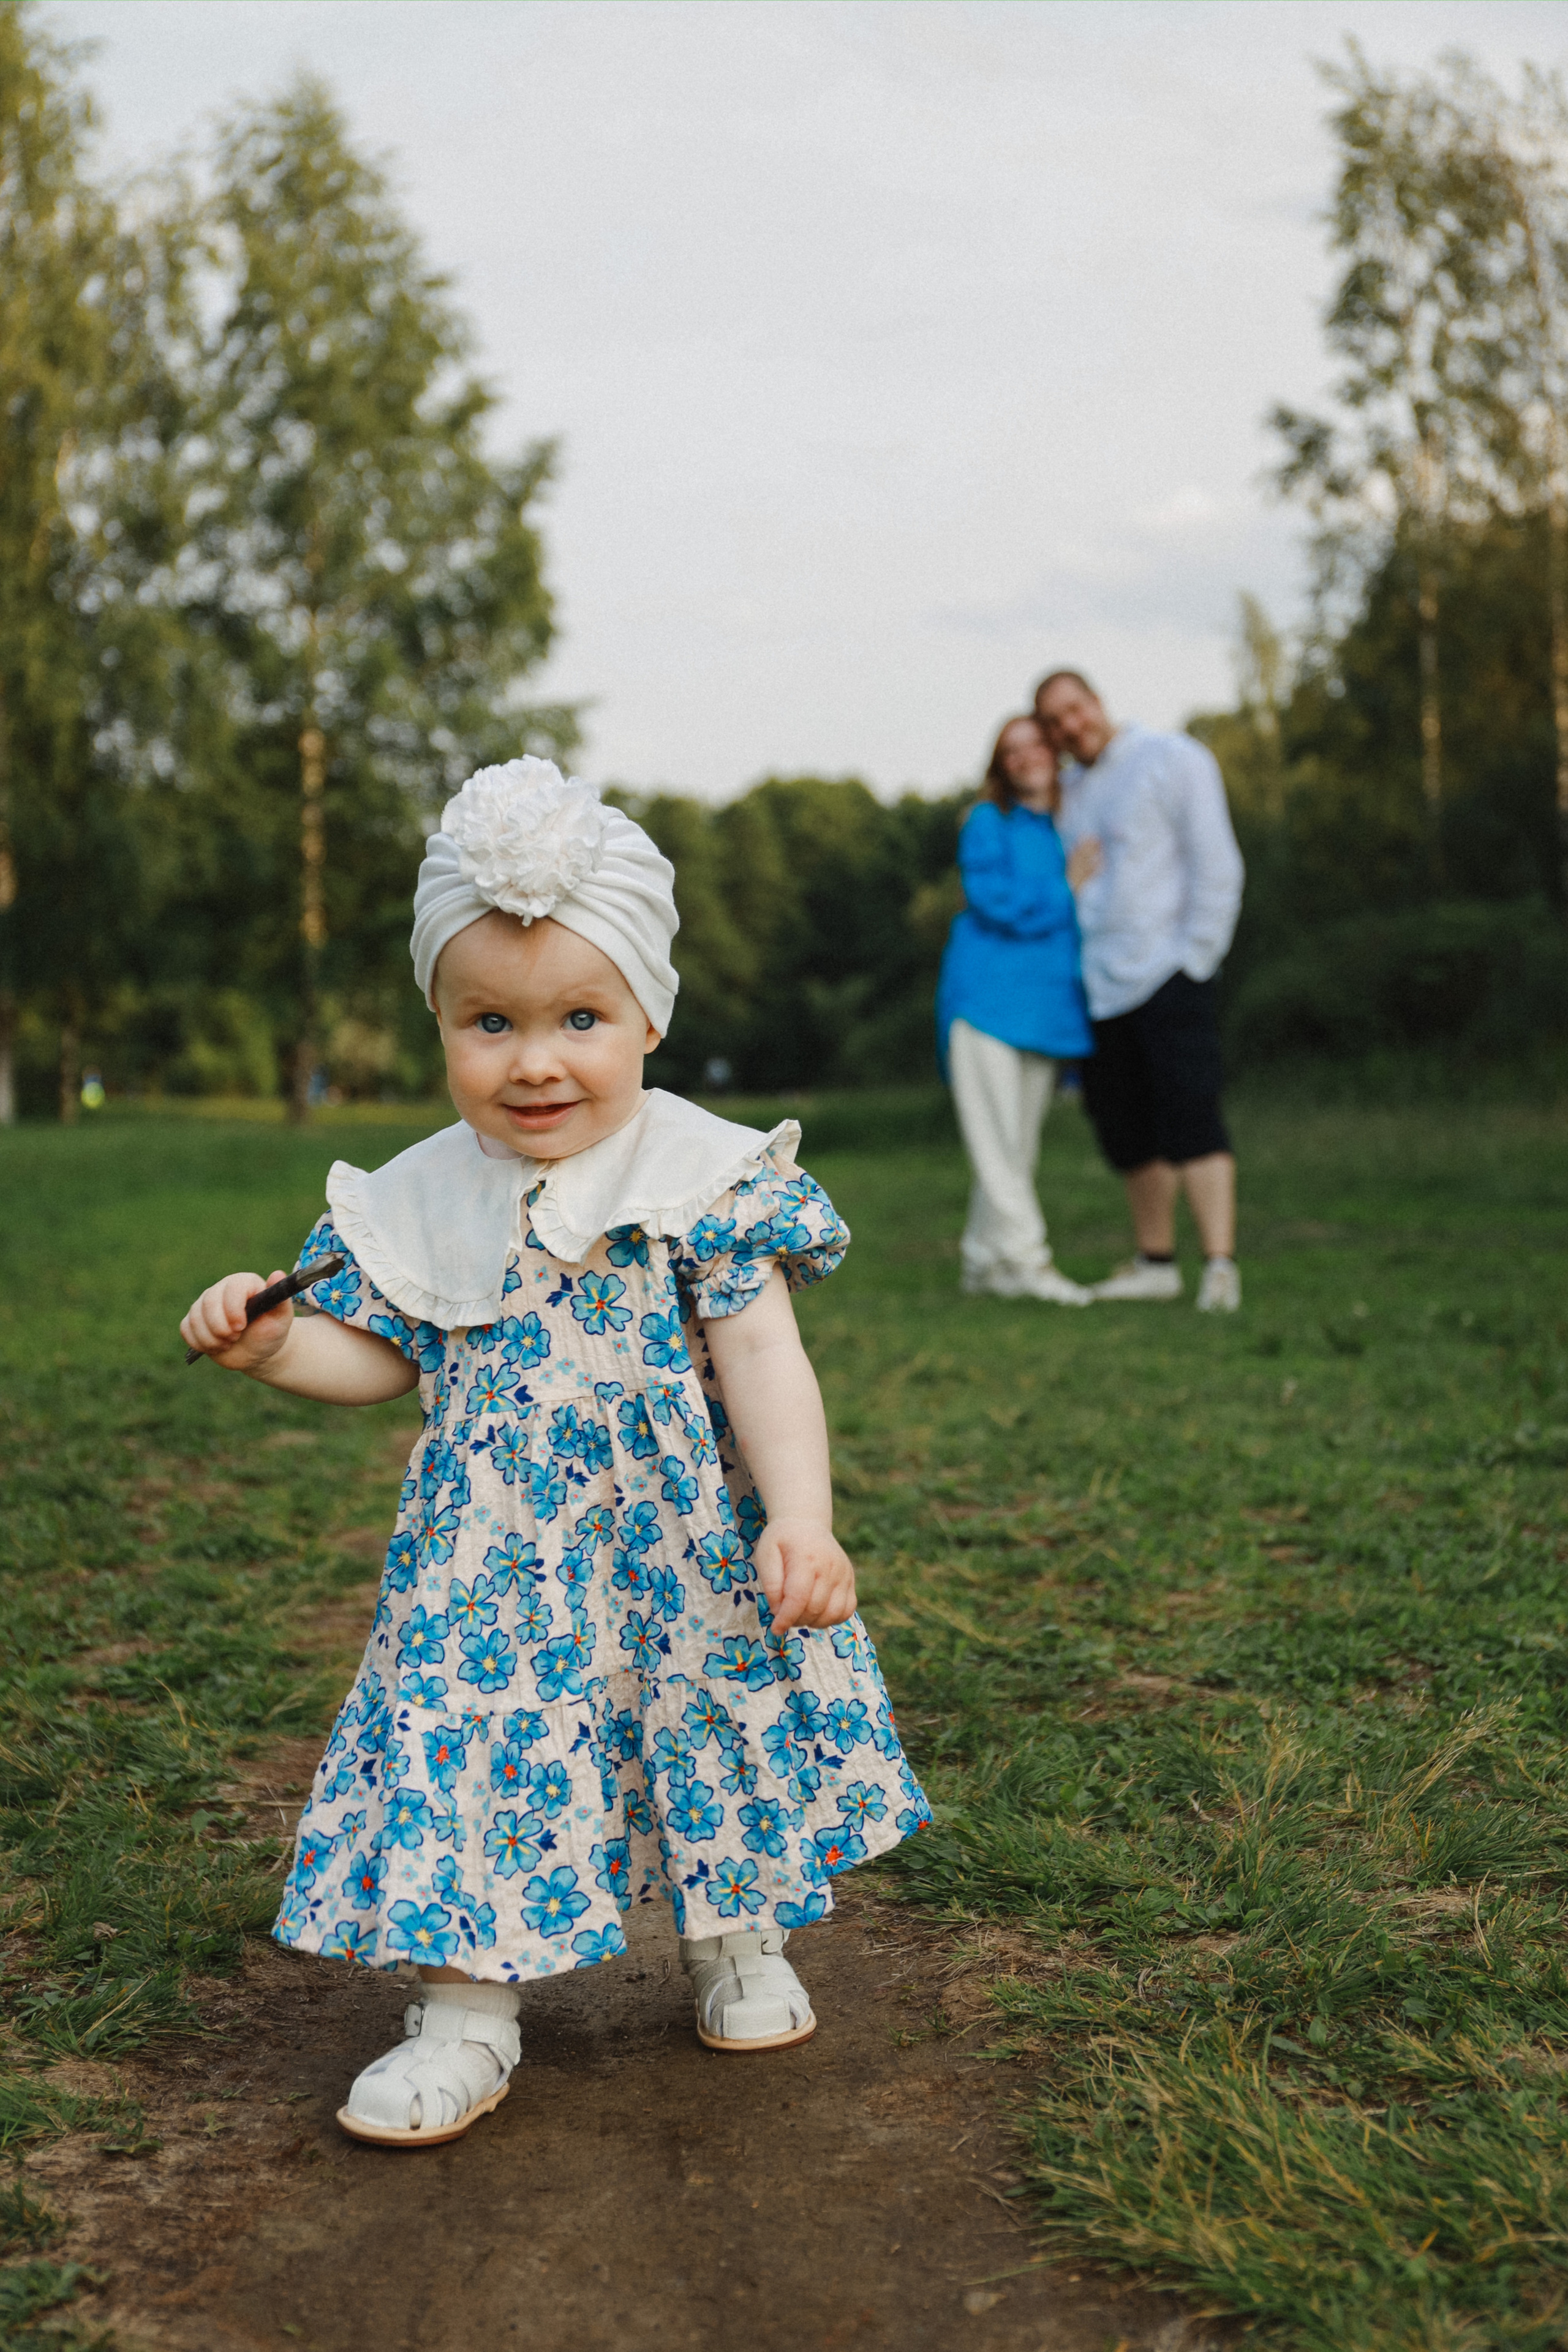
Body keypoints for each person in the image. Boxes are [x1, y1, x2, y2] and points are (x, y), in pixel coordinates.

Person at [181, 757, 930, 2147]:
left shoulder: (699, 1179)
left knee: (708, 1709)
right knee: (469, 1744)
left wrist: (803, 1517)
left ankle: (737, 1939)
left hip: (681, 1537)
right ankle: (465, 2008)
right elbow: (386, 1351)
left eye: (579, 1017)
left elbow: (764, 1354)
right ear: (440, 1024)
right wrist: (275, 1346)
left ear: (647, 1014)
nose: (534, 1059)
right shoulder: (418, 1197)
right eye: (490, 1022)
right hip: (488, 1555)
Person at [1034, 671, 1245, 1312]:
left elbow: (1216, 863)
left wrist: (1194, 961)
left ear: (1096, 702)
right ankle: (1156, 1262)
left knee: (1192, 1119)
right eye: (1054, 722)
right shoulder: (1066, 794)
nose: (1070, 726)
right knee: (1128, 1132)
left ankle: (1218, 1265)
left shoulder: (1172, 758)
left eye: (1074, 709)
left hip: (1167, 974)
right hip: (1097, 989)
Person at [934, 715, 1096, 1305]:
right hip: (984, 1001)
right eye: (1012, 750)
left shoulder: (1070, 821)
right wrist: (1066, 887)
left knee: (1016, 1150)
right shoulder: (986, 821)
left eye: (1036, 745)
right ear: (1001, 765)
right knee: (996, 1145)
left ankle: (983, 1264)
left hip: (1048, 1008)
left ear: (1054, 752)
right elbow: (991, 901)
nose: (1027, 757)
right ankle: (1030, 1262)